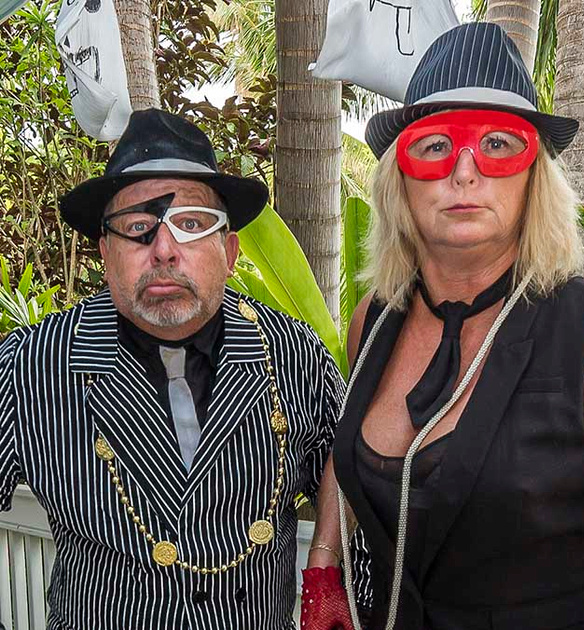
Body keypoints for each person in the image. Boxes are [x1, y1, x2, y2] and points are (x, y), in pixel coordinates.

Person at [306, 22, 584, 630]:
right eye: (434, 146)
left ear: (533, 176)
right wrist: (324, 559)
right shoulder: (376, 320)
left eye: (498, 145)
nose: (465, 173)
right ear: (398, 182)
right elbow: (346, 444)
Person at [0, 109, 358, 630]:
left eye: (191, 225)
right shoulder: (33, 367)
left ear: (229, 250)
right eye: (138, 227)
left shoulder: (292, 353)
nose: (164, 249)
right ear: (105, 251)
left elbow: (352, 463)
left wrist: (326, 563)